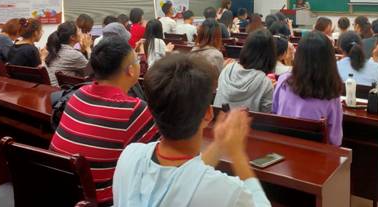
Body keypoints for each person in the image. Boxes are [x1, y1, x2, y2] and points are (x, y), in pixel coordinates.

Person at [113, 53, 270, 207]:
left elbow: (187, 179)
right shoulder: (227, 193)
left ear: (151, 109)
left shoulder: (129, 156)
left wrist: (220, 144)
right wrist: (237, 153)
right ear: (208, 114)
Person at [50, 37, 160, 206]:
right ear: (131, 70)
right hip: (99, 201)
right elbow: (157, 162)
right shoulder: (133, 110)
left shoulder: (78, 94)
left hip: (58, 192)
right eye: (137, 61)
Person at [272, 32, 343, 145]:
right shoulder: (331, 94)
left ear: (298, 56)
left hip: (282, 148)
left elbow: (274, 113)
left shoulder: (283, 81)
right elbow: (335, 140)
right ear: (329, 60)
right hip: (316, 153)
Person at [214, 29, 275, 113]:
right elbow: (266, 116)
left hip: (218, 120)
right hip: (244, 122)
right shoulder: (265, 83)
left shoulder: (227, 69)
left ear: (245, 48)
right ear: (270, 55)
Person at [45, 21, 91, 86]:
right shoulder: (74, 54)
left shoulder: (56, 48)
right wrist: (88, 48)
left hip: (51, 88)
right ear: (72, 37)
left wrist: (83, 50)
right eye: (79, 30)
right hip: (60, 90)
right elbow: (92, 70)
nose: (81, 32)